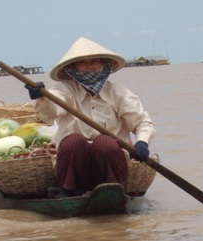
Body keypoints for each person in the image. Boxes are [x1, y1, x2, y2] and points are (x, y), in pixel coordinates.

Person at [24, 37, 155, 198]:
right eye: (82, 63)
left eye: (95, 61)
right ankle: (69, 190)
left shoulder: (118, 93)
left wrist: (142, 142)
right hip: (75, 169)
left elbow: (142, 122)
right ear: (73, 68)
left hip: (110, 167)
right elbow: (52, 109)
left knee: (104, 143)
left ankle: (111, 191)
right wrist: (41, 97)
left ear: (103, 64)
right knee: (74, 142)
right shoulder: (66, 90)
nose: (89, 66)